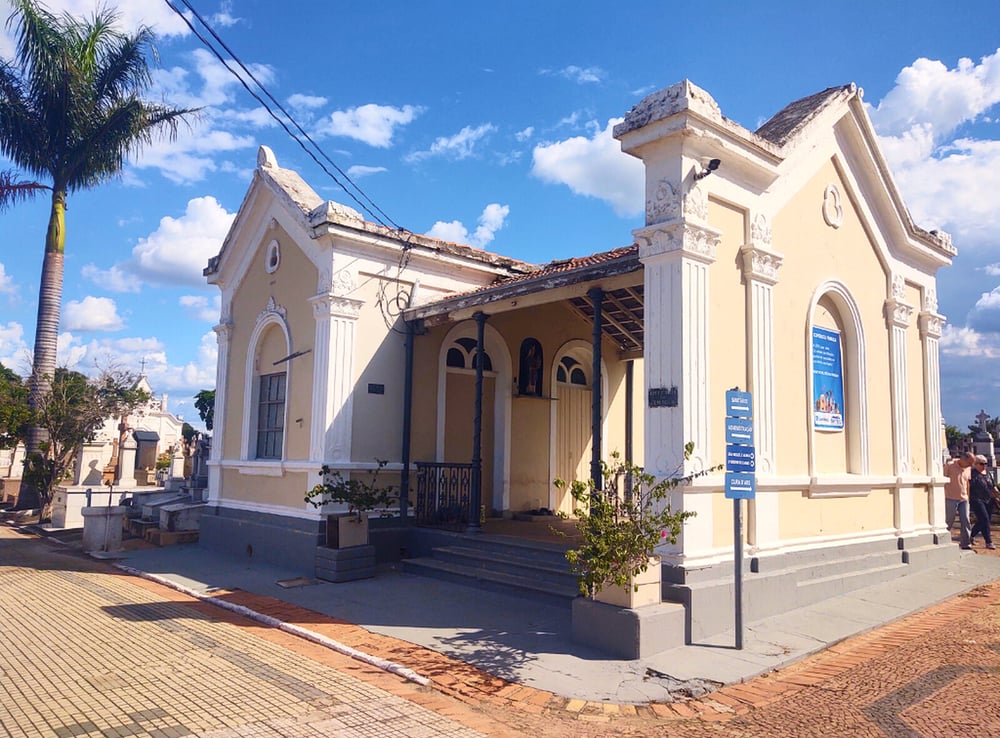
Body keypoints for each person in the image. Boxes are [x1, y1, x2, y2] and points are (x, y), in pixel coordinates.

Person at [943, 452, 973, 549]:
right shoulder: (950, 465)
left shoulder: (968, 468)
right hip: (950, 497)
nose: (970, 465)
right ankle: (943, 540)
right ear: (963, 459)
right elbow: (943, 480)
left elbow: (967, 482)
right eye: (969, 462)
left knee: (966, 520)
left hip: (964, 499)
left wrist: (968, 497)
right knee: (949, 520)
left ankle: (965, 543)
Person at [968, 455, 996, 550]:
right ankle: (989, 542)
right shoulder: (971, 474)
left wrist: (997, 494)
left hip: (989, 500)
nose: (984, 466)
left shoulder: (988, 473)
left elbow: (993, 486)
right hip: (977, 500)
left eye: (985, 463)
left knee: (983, 521)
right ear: (975, 464)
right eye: (981, 464)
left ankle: (971, 535)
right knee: (985, 520)